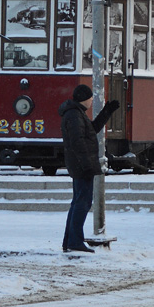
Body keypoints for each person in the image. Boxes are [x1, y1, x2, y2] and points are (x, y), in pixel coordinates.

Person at [59, 84, 119, 253]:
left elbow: (90, 131)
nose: (92, 100)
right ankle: (74, 241)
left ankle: (70, 240)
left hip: (80, 164)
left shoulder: (76, 114)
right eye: (90, 97)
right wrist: (86, 165)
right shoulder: (74, 115)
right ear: (83, 98)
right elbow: (78, 143)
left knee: (79, 202)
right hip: (81, 166)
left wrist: (107, 111)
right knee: (82, 203)